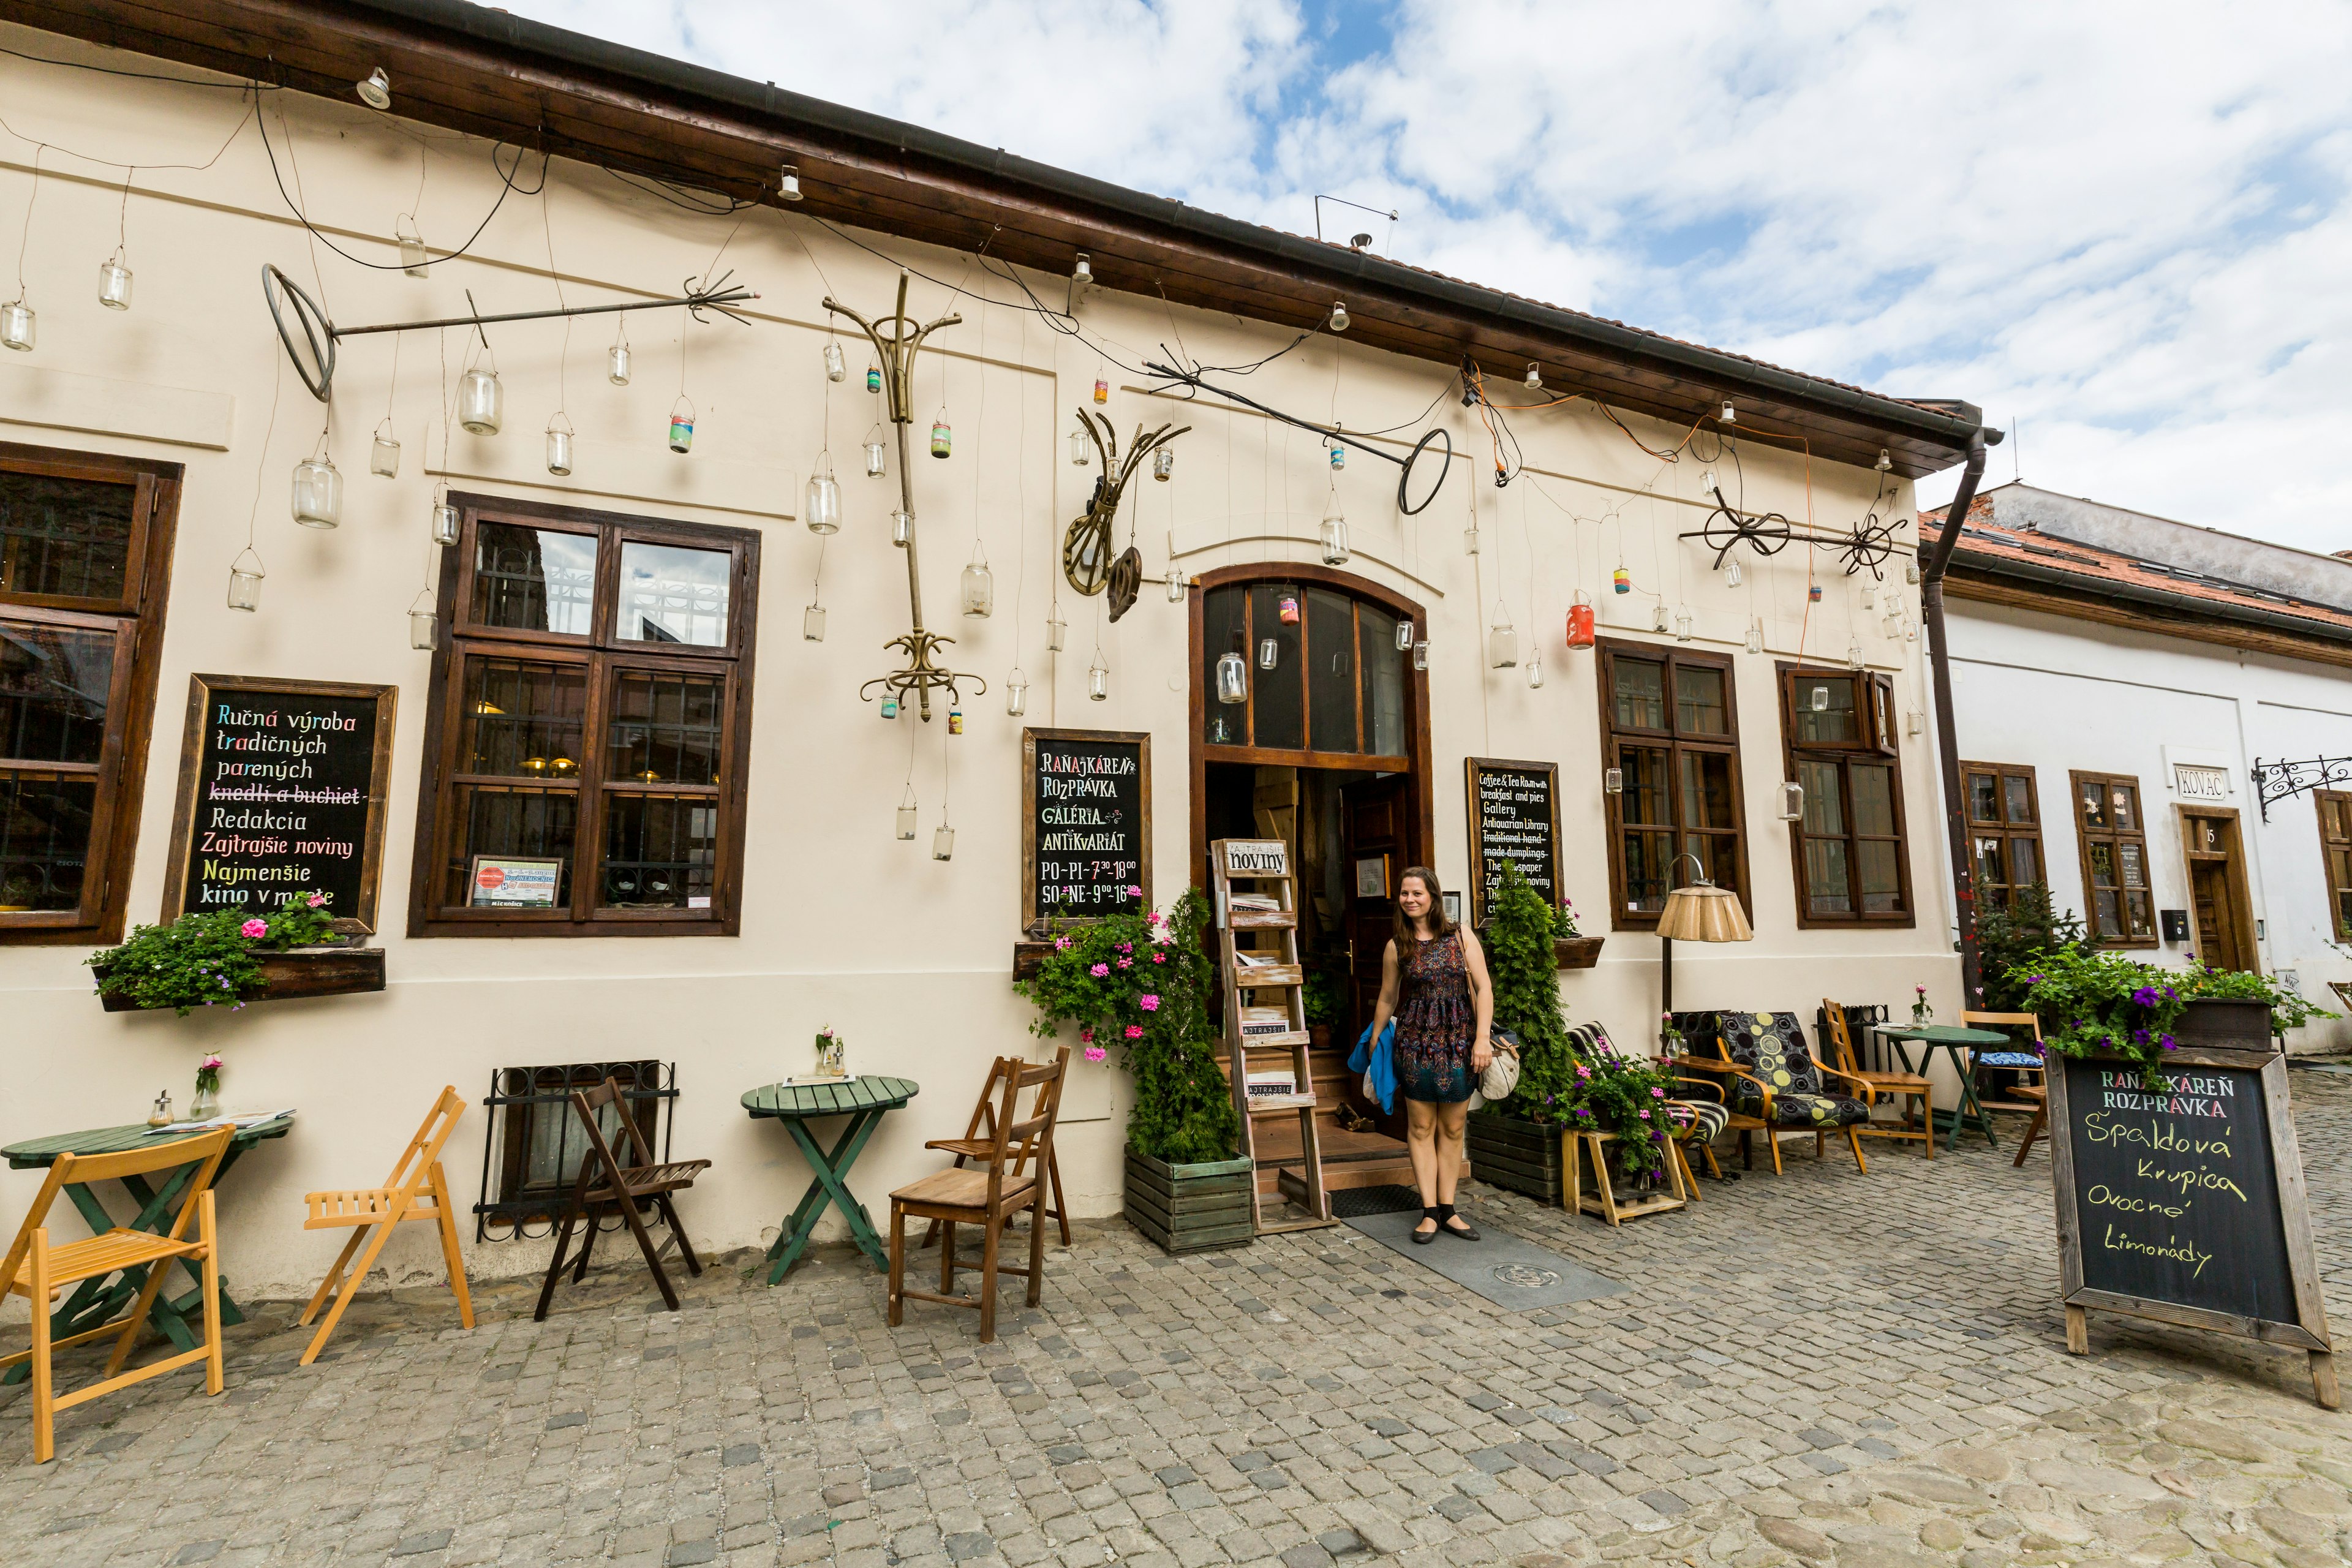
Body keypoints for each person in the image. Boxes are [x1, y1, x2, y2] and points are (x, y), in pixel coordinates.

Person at [1365, 866, 1494, 1242]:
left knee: (1453, 1127)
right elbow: (1389, 997)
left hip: (1460, 1043)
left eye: (1417, 893)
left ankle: (1450, 1209)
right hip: (1415, 1045)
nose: (1410, 900)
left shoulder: (1461, 936)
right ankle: (1429, 1212)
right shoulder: (1397, 945)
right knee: (1421, 1128)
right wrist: (1375, 1039)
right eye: (1404, 894)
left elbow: (1484, 989)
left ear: (1433, 897)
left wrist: (1482, 1038)